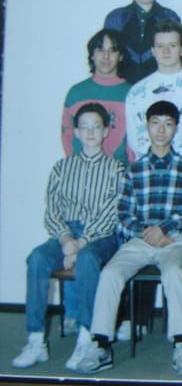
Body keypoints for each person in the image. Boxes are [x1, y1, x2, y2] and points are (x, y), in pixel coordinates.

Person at [77, 101, 182, 375]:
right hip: (140, 240)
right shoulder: (134, 170)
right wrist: (148, 233)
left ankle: (181, 345)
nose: (161, 130)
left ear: (176, 128)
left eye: (168, 124)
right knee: (110, 273)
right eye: (156, 123)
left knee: (174, 272)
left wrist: (163, 229)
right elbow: (123, 215)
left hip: (174, 240)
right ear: (147, 126)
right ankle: (100, 344)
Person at [12, 103, 122, 371]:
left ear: (106, 131)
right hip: (66, 234)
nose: (90, 132)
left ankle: (86, 337)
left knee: (87, 259)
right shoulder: (61, 168)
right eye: (84, 127)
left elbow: (111, 213)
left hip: (100, 236)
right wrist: (65, 240)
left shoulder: (116, 169)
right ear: (76, 131)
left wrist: (81, 244)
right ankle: (36, 339)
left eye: (96, 126)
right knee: (37, 259)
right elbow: (52, 210)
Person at [125, 19, 182, 161]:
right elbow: (134, 137)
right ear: (153, 51)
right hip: (150, 167)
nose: (166, 51)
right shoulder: (137, 92)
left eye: (172, 45)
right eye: (160, 46)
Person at [61, 29, 132, 165]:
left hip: (121, 170)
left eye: (112, 51)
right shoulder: (76, 93)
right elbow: (67, 136)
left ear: (120, 56)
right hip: (82, 169)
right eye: (100, 50)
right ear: (92, 55)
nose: (106, 56)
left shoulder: (132, 94)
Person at [103, 0, 181, 84]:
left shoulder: (169, 17)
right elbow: (109, 56)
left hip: (161, 85)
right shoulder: (116, 18)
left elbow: (176, 57)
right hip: (123, 85)